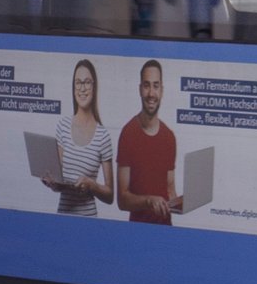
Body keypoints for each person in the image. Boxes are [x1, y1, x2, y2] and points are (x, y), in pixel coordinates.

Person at [44, 59, 113, 215]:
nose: (82, 88)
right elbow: (59, 180)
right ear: (73, 87)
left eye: (87, 82)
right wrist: (53, 183)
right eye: (78, 83)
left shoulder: (103, 136)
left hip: (88, 221)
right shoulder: (63, 126)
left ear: (94, 87)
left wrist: (92, 185)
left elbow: (110, 196)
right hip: (63, 217)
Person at [116, 59, 177, 225]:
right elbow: (121, 200)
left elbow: (170, 191)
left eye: (156, 86)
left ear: (162, 91)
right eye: (146, 85)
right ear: (140, 89)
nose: (151, 93)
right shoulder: (128, 133)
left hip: (166, 231)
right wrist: (149, 201)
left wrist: (187, 201)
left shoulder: (169, 137)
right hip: (138, 232)